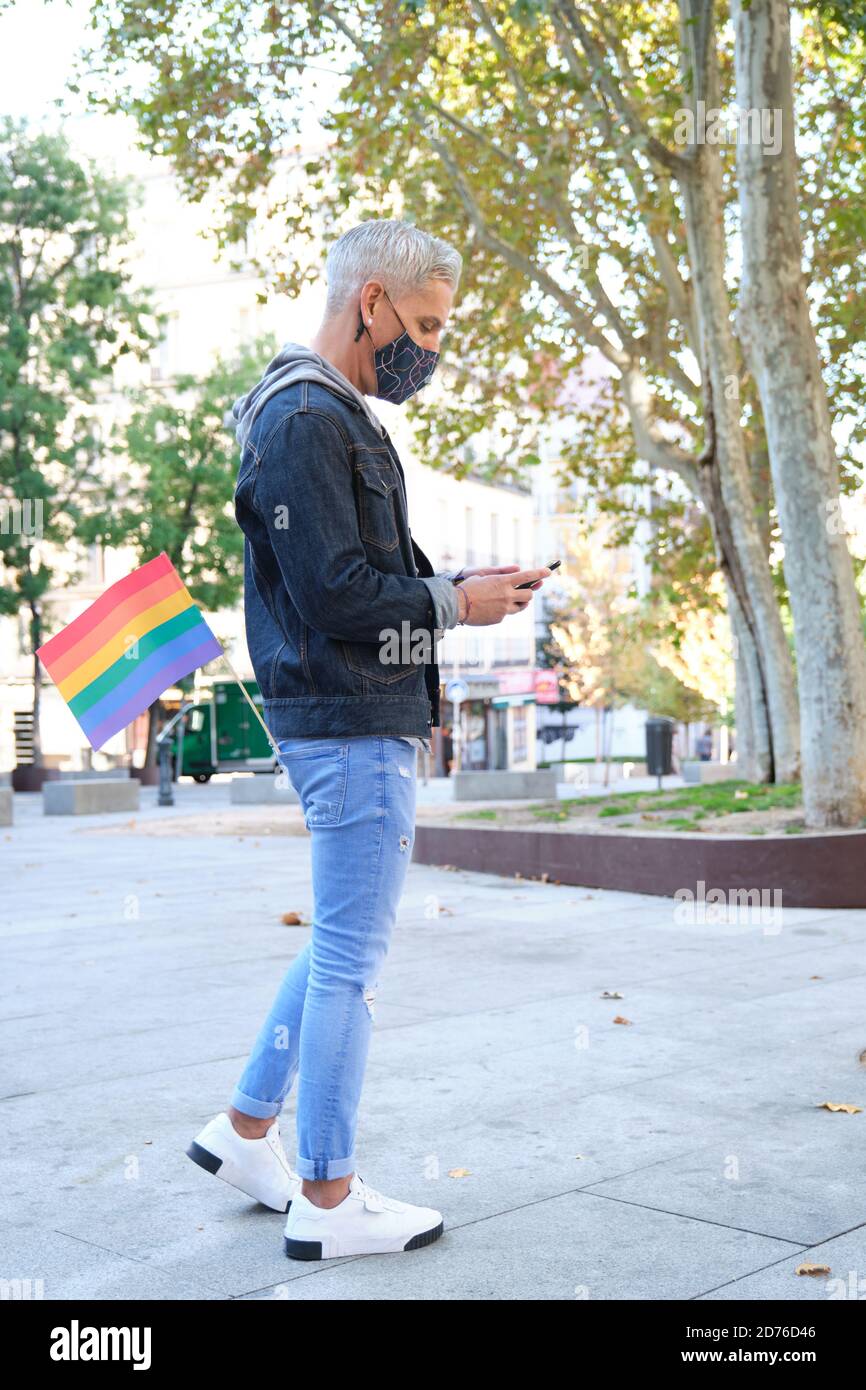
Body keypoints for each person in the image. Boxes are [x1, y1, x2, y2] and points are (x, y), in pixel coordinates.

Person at [186, 219, 550, 1260]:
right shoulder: (307, 415)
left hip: (346, 712)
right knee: (352, 957)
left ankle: (246, 1130)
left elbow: (347, 580)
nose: (430, 350)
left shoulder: (316, 410)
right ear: (372, 303)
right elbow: (335, 592)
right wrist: (457, 603)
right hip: (347, 719)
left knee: (336, 943)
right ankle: (330, 1197)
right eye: (425, 326)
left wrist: (455, 594)